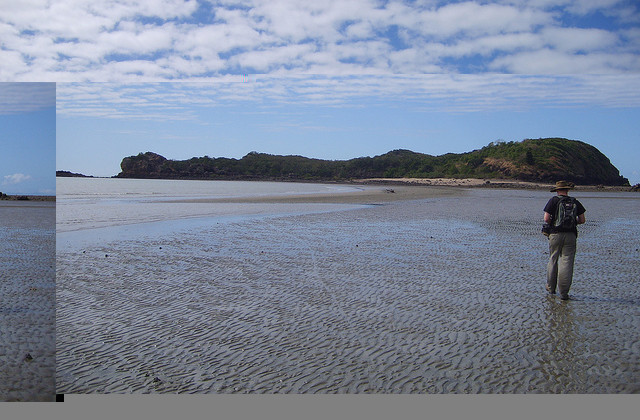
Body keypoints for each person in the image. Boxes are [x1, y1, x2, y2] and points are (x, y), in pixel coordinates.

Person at [543, 180, 586, 300]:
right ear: (567, 190)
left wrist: (555, 223)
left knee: (553, 259)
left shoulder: (553, 200)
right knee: (567, 261)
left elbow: (546, 219)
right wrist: (572, 223)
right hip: (571, 235)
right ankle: (564, 293)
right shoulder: (575, 202)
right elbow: (582, 220)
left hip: (555, 234)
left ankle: (551, 288)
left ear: (557, 190)